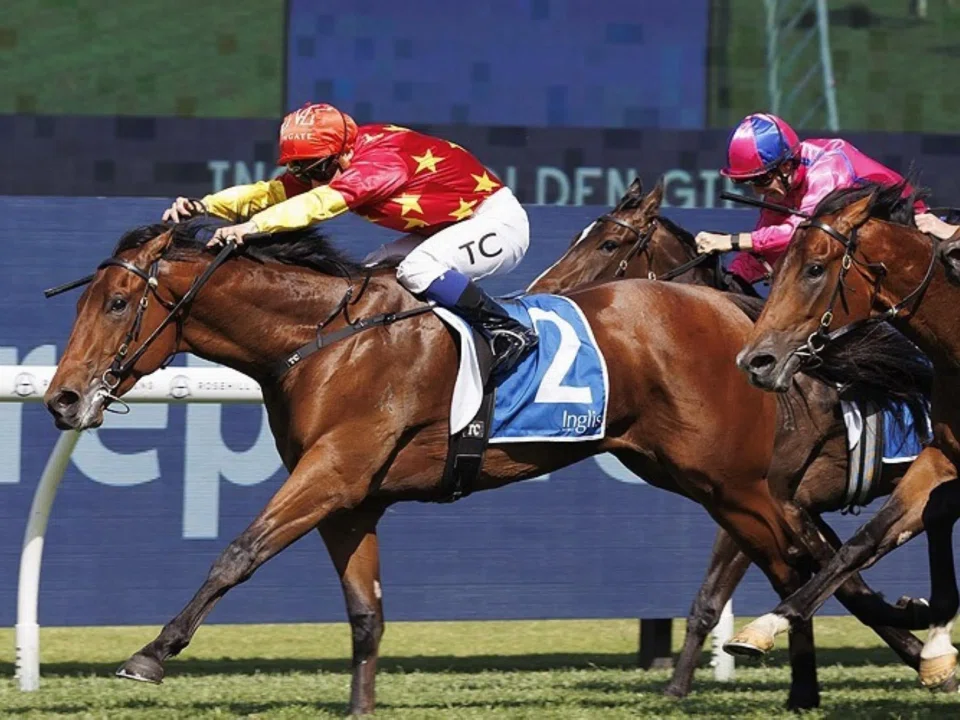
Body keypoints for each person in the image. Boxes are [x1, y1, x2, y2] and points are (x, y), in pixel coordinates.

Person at [163, 102, 537, 375]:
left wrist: (249, 228)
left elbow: (318, 205)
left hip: (496, 222)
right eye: (297, 168)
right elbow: (267, 193)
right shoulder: (330, 158)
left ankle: (506, 329)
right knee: (368, 284)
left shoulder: (380, 164)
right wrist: (204, 206)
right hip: (448, 227)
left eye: (313, 168)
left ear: (341, 156)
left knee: (417, 268)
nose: (306, 177)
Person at [694, 112, 928, 287]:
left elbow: (801, 233)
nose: (757, 191)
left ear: (786, 166)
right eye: (749, 183)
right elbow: (766, 243)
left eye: (761, 181)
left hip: (913, 235)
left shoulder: (828, 168)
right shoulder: (784, 182)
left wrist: (731, 241)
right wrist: (732, 281)